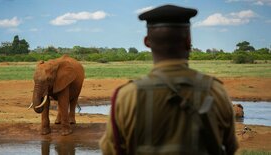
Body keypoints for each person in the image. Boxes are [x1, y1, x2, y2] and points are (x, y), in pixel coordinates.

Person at [100, 4, 238, 155]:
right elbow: (230, 147)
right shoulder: (215, 91)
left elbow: (112, 150)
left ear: (147, 42)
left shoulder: (126, 96)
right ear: (188, 41)